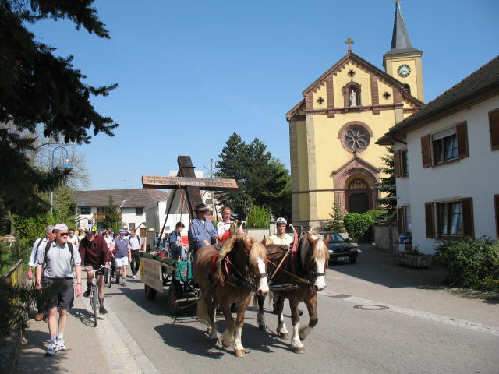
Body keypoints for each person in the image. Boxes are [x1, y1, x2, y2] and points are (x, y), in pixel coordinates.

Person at [36, 223, 82, 356]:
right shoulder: (46, 247)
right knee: (51, 311)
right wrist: (39, 281)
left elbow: (78, 265)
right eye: (63, 234)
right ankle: (52, 342)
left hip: (66, 282)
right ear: (55, 234)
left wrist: (79, 283)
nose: (66, 236)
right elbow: (39, 264)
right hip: (50, 281)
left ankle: (60, 339)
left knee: (63, 312)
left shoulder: (71, 247)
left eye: (67, 233)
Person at [79, 231, 111, 314]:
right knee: (90, 273)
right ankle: (89, 289)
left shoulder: (100, 239)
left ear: (95, 234)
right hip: (89, 262)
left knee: (100, 284)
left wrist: (107, 262)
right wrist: (81, 264)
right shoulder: (83, 241)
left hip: (100, 262)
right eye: (88, 235)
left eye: (91, 235)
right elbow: (81, 253)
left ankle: (101, 306)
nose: (89, 237)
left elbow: (106, 251)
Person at [28, 225, 55, 321]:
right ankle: (40, 311)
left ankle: (47, 313)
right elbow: (33, 255)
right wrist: (30, 269)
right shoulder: (39, 242)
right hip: (39, 270)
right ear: (48, 234)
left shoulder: (56, 243)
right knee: (39, 291)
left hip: (51, 271)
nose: (55, 235)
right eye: (54, 233)